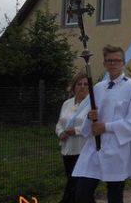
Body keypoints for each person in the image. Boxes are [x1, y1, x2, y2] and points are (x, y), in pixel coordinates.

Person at [73, 45, 131, 203]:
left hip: (117, 150)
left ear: (123, 63)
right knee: (82, 193)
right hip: (94, 148)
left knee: (114, 195)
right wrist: (90, 117)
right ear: (104, 63)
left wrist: (106, 126)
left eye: (117, 60)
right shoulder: (98, 88)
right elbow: (88, 126)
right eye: (109, 60)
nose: (113, 63)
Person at [55, 74, 90, 203]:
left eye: (86, 84)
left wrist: (75, 131)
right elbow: (59, 123)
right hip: (67, 150)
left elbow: (92, 127)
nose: (82, 87)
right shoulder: (67, 103)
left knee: (75, 185)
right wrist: (60, 133)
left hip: (83, 150)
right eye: (79, 84)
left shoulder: (92, 104)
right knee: (72, 184)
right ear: (74, 87)